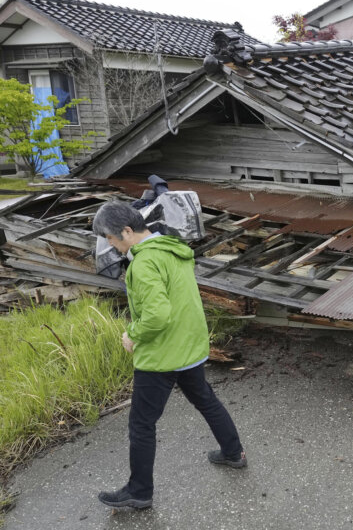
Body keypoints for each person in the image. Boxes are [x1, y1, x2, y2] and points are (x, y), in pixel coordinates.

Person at [93, 201, 245, 510]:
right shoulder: (172, 249)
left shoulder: (145, 263)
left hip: (163, 354)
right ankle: (233, 453)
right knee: (205, 400)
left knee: (141, 424)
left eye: (109, 237)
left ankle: (139, 491)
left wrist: (132, 334)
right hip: (189, 346)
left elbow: (157, 315)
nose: (109, 244)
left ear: (126, 231)